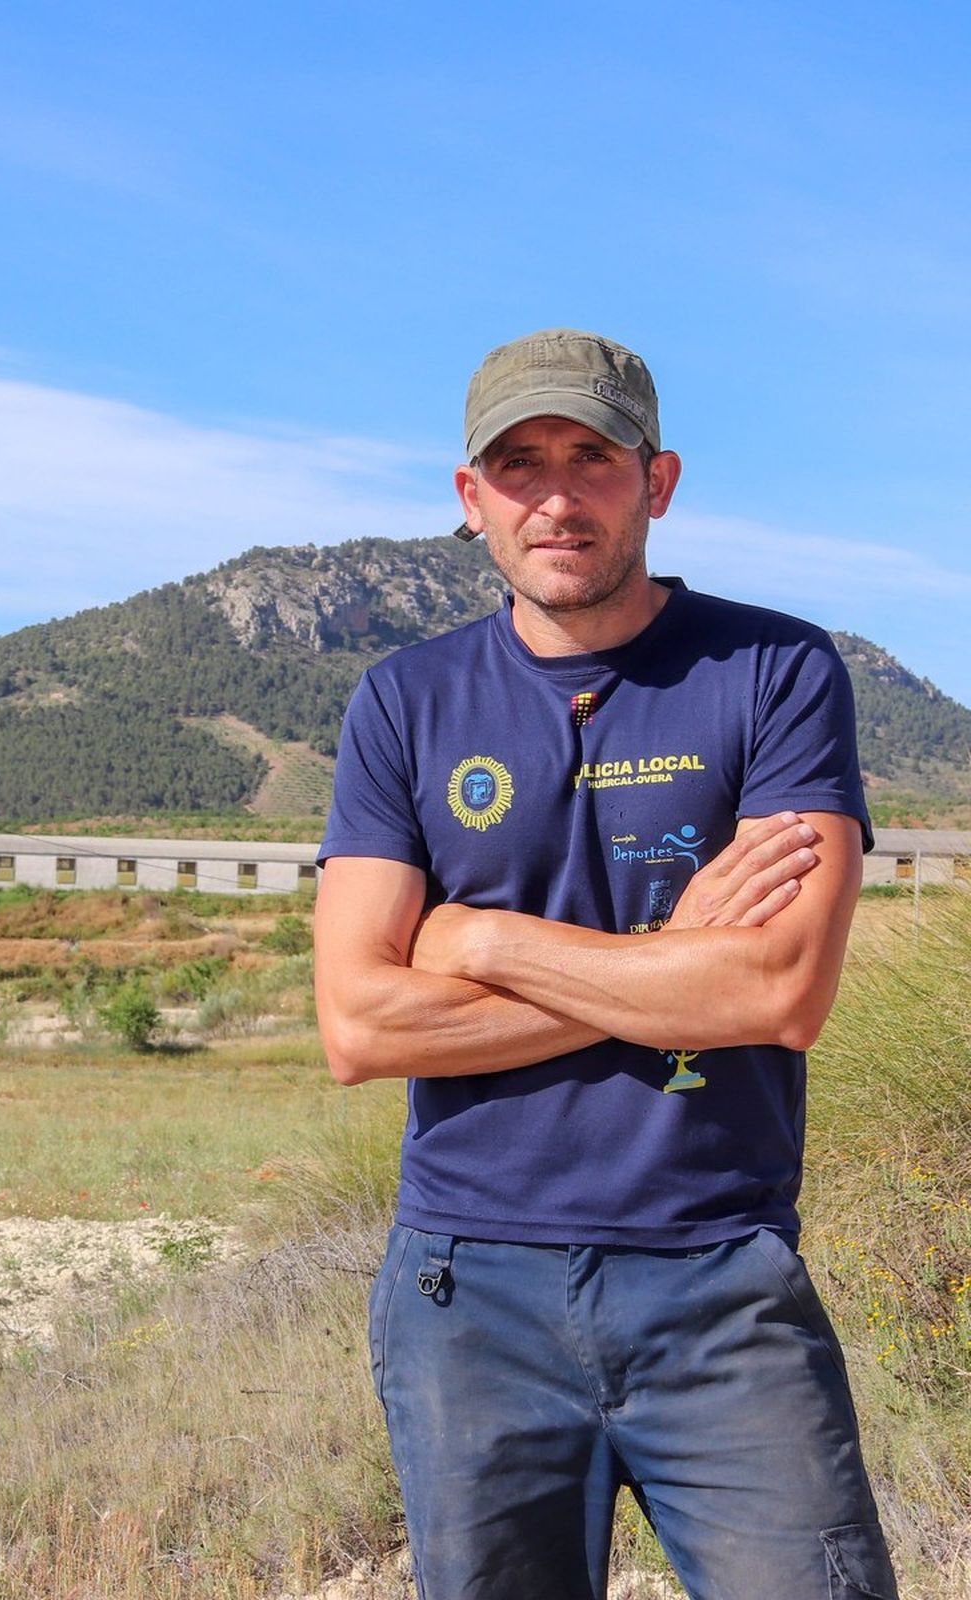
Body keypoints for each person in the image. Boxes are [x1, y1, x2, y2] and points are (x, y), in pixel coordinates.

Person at [314, 329, 896, 1600]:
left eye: (591, 457)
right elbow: (361, 1025)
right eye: (519, 465)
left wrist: (479, 942)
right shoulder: (402, 702)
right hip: (468, 1291)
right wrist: (673, 962)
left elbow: (777, 993)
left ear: (658, 479)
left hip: (718, 1278)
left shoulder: (774, 672)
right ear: (471, 500)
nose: (557, 496)